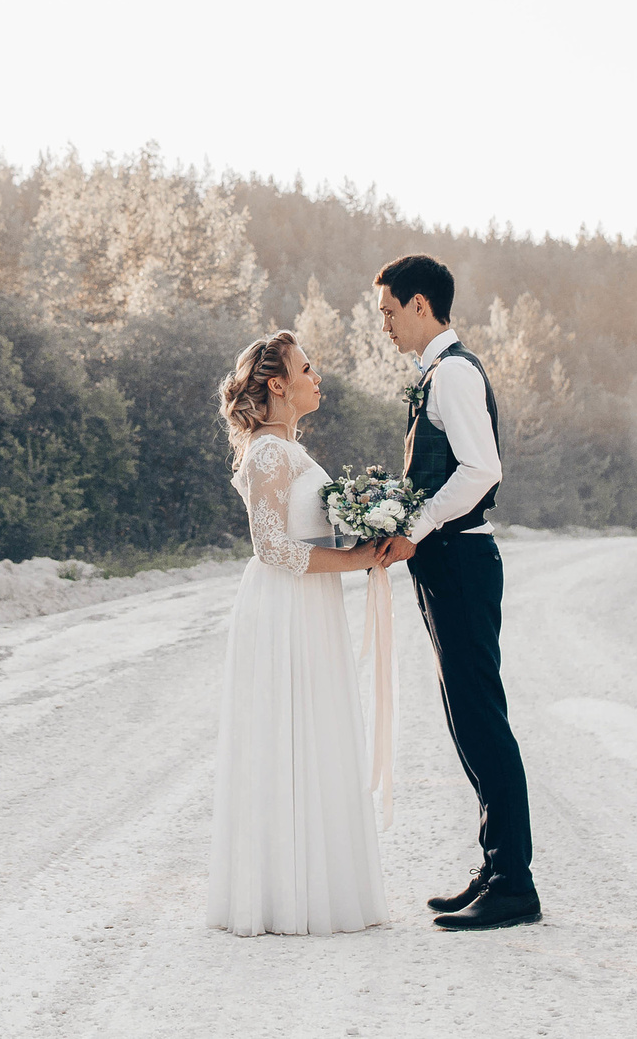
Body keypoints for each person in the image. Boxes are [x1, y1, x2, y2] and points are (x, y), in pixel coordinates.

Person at [368, 253, 539, 930]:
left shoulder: (456, 373)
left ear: (419, 304)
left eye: (387, 310)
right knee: (464, 716)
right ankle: (497, 866)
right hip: (447, 561)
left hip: (461, 559)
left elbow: (480, 470)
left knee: (481, 718)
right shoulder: (437, 374)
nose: (384, 324)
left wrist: (416, 522)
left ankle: (514, 883)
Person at [205, 330, 393, 936]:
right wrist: (362, 559)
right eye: (307, 368)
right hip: (285, 605)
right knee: (285, 733)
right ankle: (282, 896)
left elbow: (303, 535)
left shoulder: (287, 450)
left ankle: (312, 884)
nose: (319, 376)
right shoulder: (267, 453)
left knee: (310, 732)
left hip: (309, 603)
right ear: (278, 385)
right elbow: (273, 548)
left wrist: (363, 534)